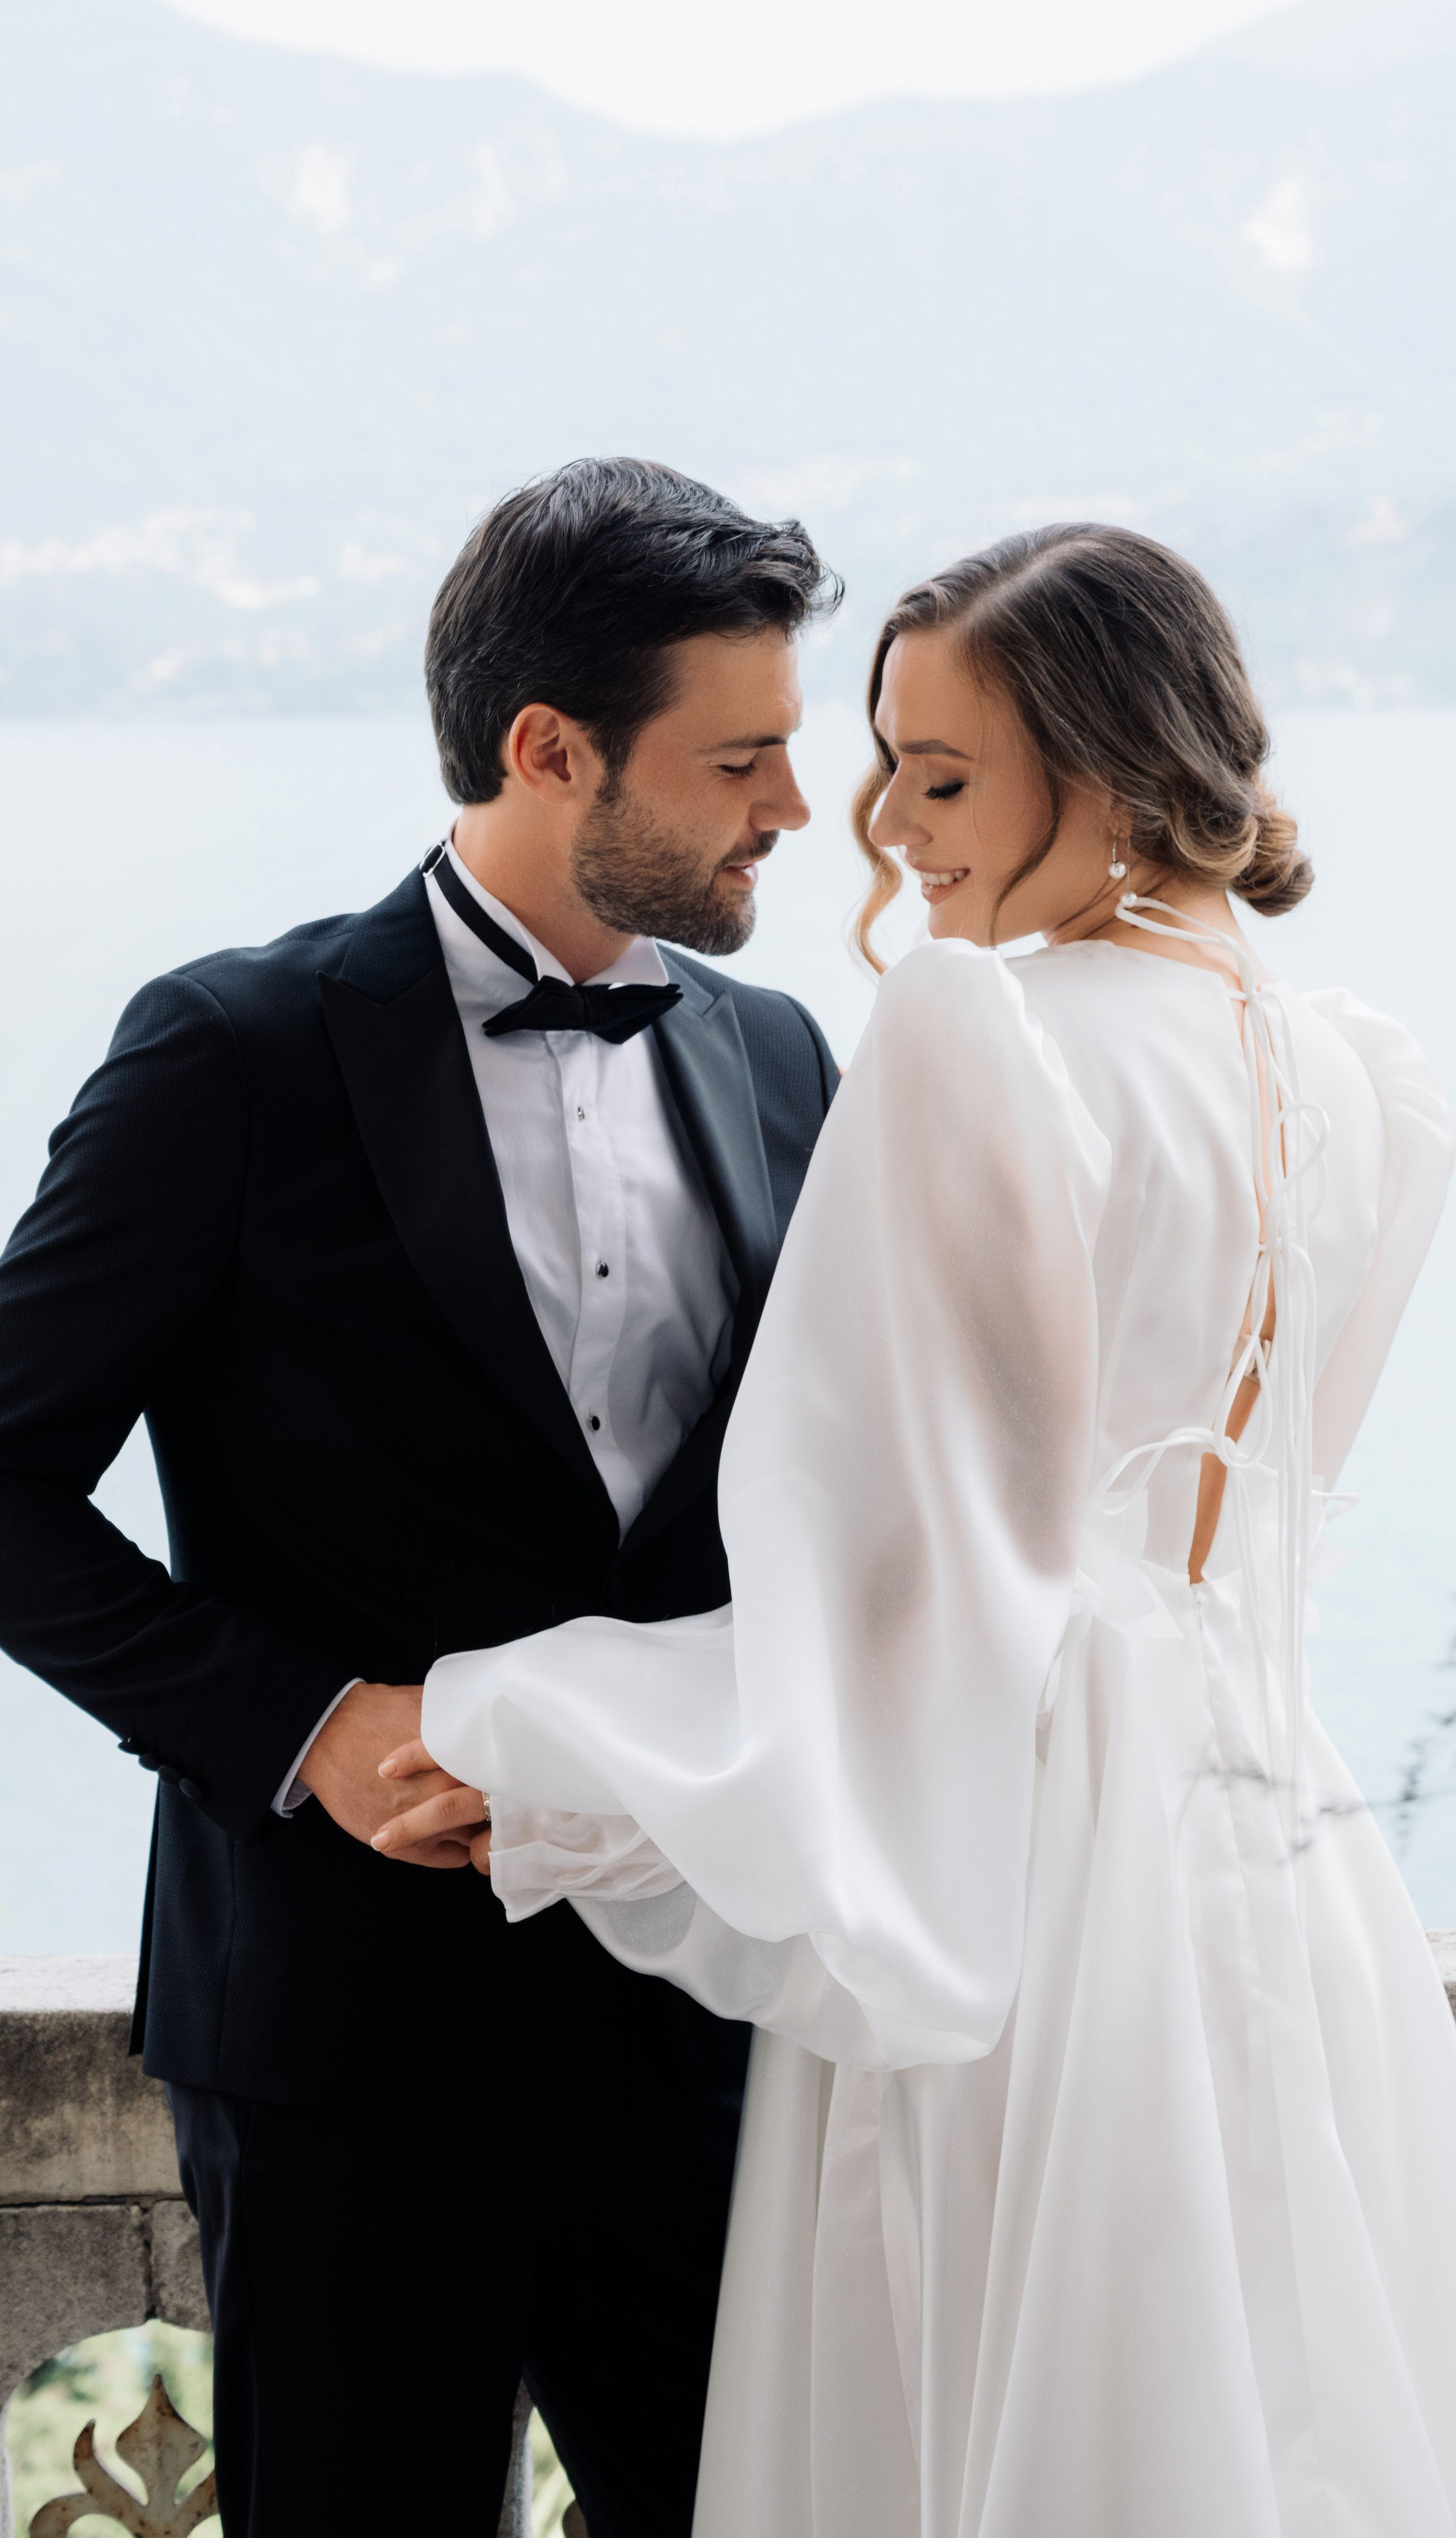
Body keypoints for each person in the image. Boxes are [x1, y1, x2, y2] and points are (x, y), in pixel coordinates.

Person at [376, 524, 1456, 2537]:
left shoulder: (980, 1035)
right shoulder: (1363, 1076)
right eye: (881, 763)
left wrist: (533, 1725)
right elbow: (1238, 1527)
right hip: (1283, 1843)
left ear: (1100, 768)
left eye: (937, 775)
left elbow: (870, 1579)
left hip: (1027, 1861)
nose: (873, 824)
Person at [0, 457, 840, 2537]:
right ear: (552, 750)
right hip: (346, 2037)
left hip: (711, 2024)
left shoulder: (788, 1056)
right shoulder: (237, 1049)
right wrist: (302, 1722)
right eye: (741, 759)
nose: (791, 812)